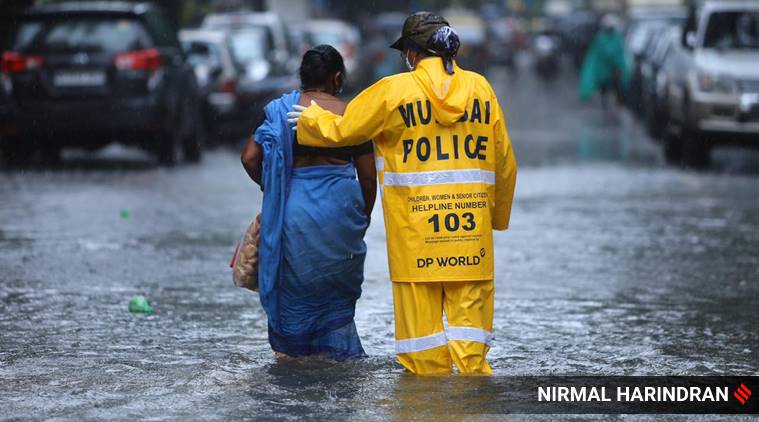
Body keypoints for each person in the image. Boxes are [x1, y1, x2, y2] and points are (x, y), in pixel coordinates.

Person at [289, 12, 517, 375]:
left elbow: (345, 130)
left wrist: (309, 120)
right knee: (472, 350)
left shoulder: (393, 91)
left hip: (416, 241)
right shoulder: (481, 90)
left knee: (421, 350)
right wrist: (498, 219)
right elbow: (504, 162)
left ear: (411, 53)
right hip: (471, 237)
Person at [241, 45, 376, 361]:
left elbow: (249, 158)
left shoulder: (279, 111)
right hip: (342, 215)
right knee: (335, 295)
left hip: (294, 211)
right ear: (337, 77)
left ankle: (293, 356)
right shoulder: (352, 115)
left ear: (302, 77)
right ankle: (335, 354)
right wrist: (362, 217)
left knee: (294, 293)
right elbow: (368, 178)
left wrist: (274, 188)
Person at [579, 14, 630, 106]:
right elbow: (596, 55)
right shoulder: (601, 38)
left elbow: (620, 54)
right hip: (605, 72)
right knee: (606, 91)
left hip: (613, 71)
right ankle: (608, 107)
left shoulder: (615, 38)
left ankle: (614, 107)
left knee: (614, 91)